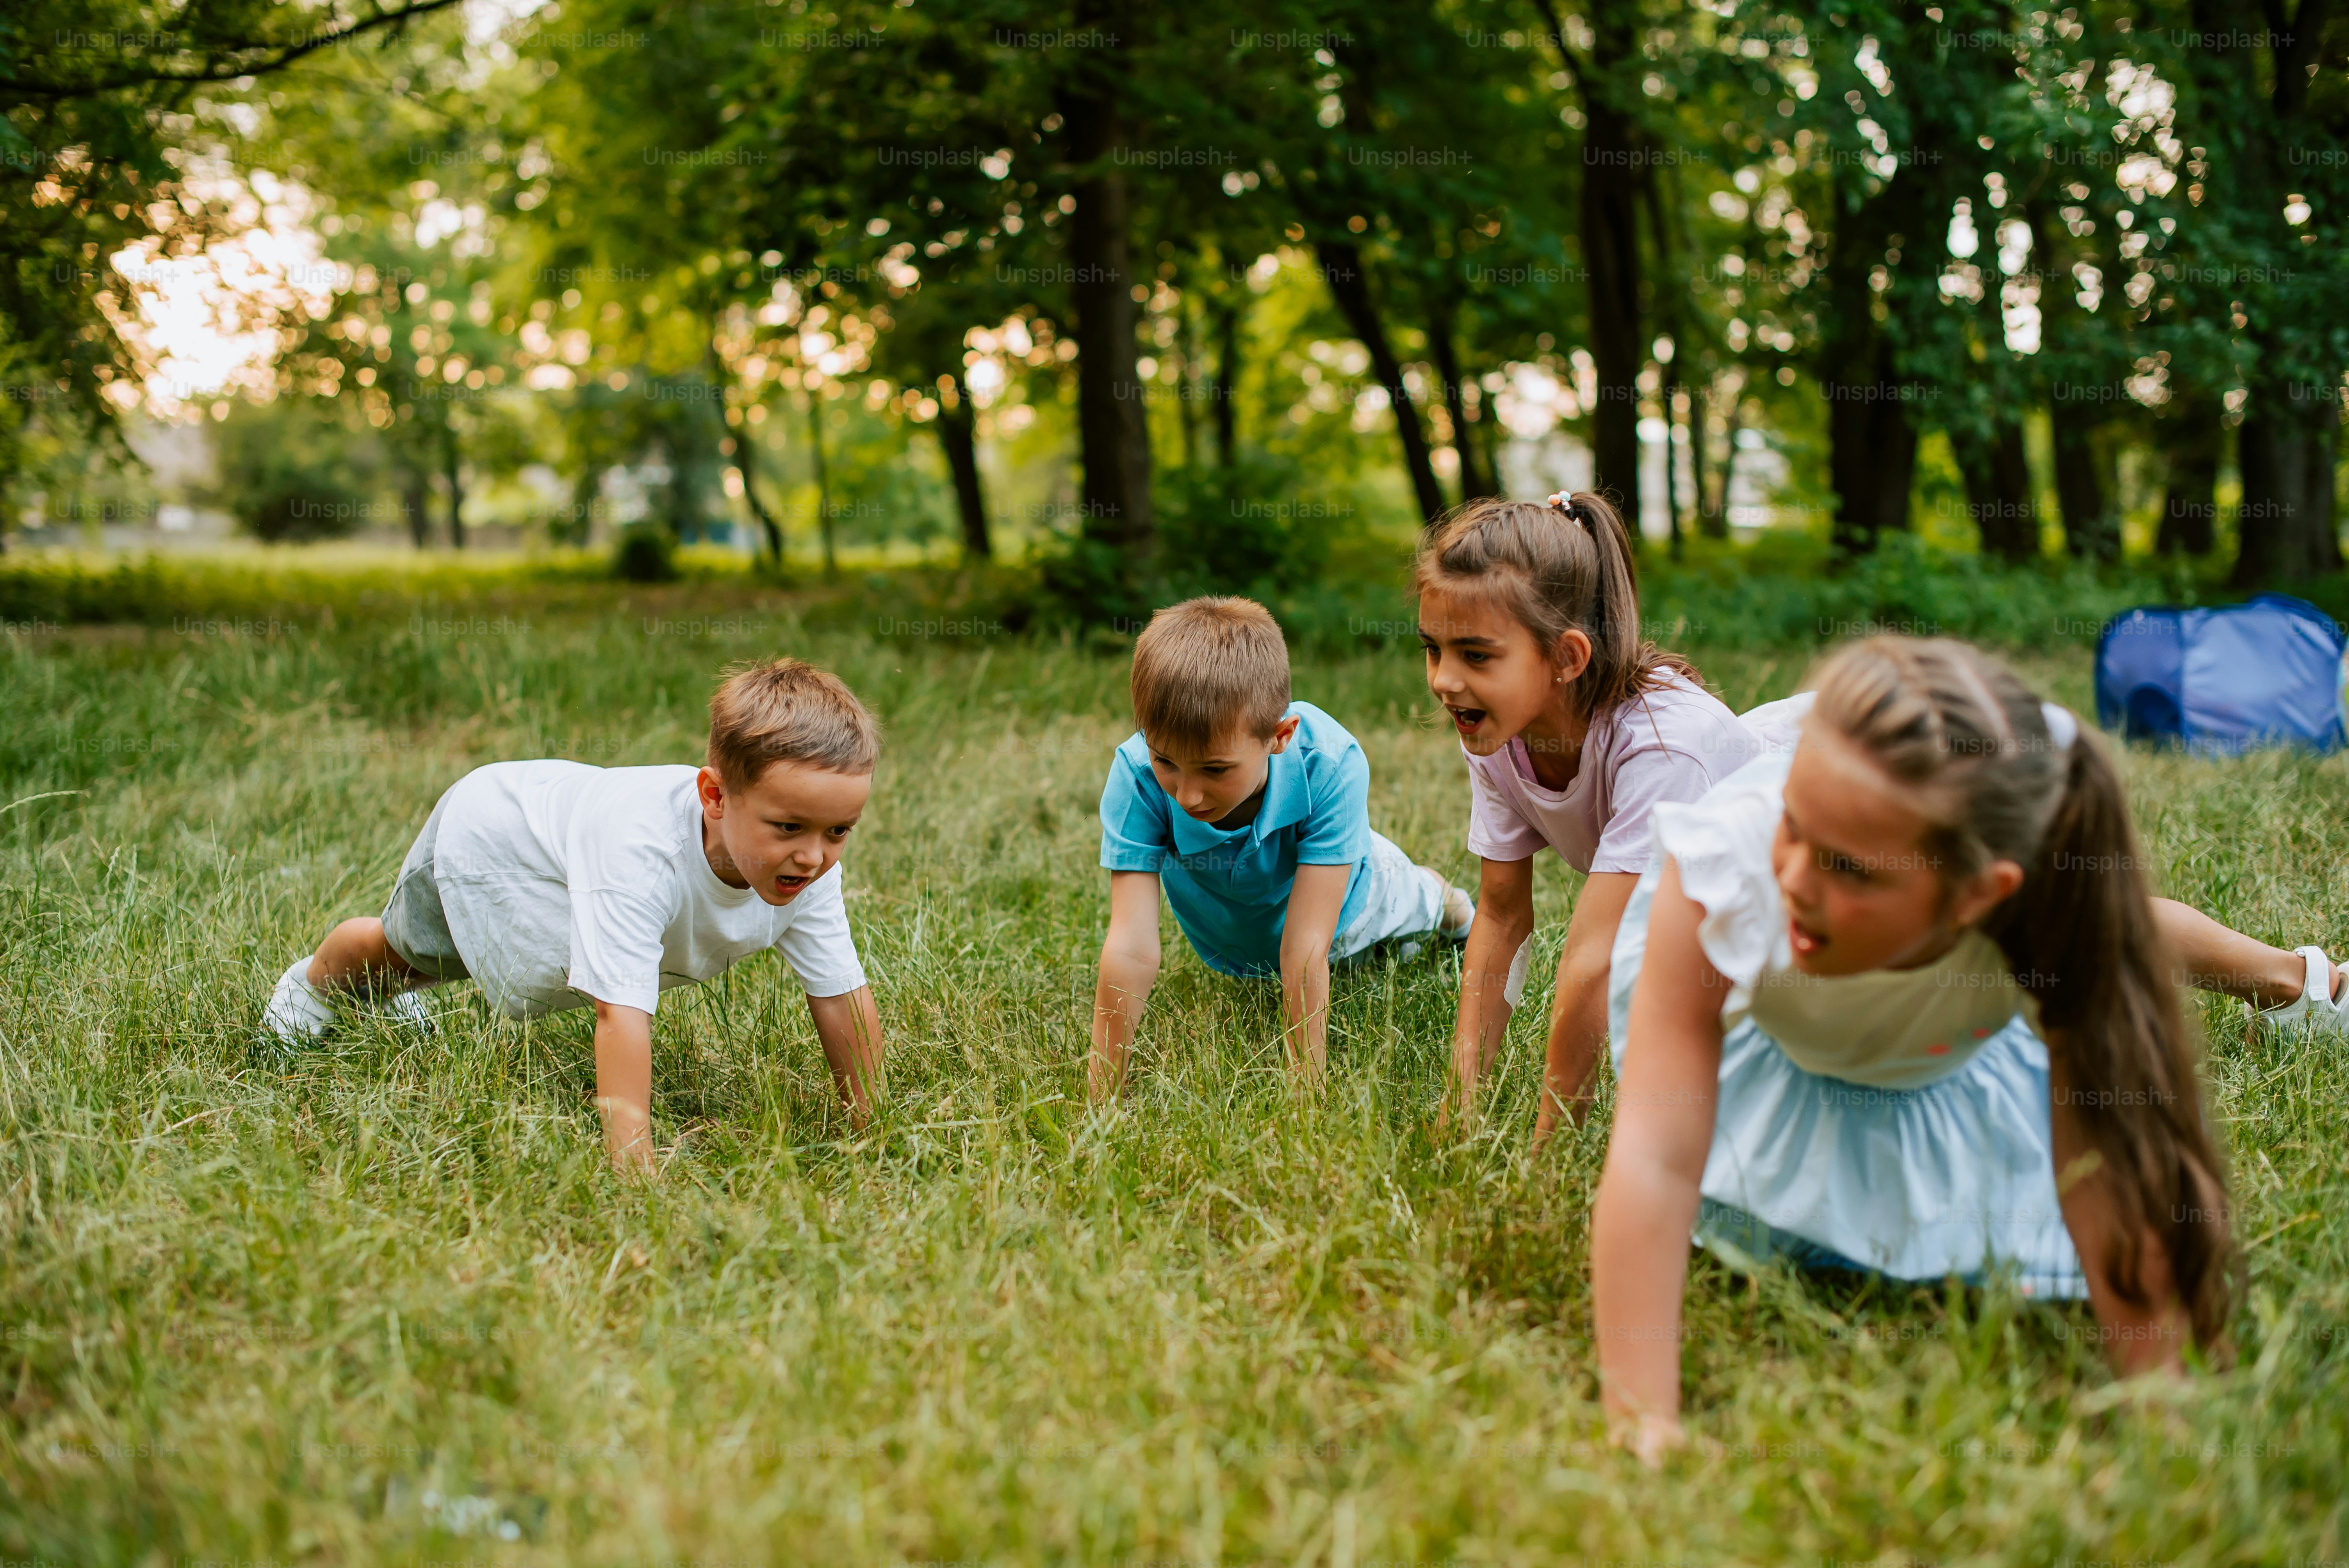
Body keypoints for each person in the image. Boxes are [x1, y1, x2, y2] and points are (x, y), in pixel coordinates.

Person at [1591, 638, 2253, 1465]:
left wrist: (2162, 1410)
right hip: (1788, 1035)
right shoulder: (1728, 871)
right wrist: (1640, 1420)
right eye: (1794, 828)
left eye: (1846, 868)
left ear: (1981, 894)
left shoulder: (2047, 897)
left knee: (2127, 933)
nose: (1795, 877)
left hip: (1950, 1032)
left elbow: (2108, 1160)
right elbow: (1655, 1154)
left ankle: (2295, 980)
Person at [260, 657, 888, 1172]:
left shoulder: (806, 867)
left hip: (568, 850)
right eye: (789, 828)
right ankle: (315, 984)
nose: (814, 856)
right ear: (715, 796)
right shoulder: (642, 853)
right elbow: (620, 1012)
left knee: (504, 967)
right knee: (408, 955)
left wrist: (869, 1130)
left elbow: (840, 993)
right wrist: (634, 1165)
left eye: (838, 831)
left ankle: (390, 995)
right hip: (492, 843)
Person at [1417, 491, 1762, 1138]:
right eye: (1432, 649)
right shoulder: (1496, 726)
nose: (1443, 680)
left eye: (1476, 654)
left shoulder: (1662, 747)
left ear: (1567, 658)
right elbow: (1501, 913)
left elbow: (1598, 957)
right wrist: (1460, 1104)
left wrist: (1550, 1148)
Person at [1090, 596, 1474, 1098]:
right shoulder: (1137, 776)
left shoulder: (1330, 764)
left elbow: (1306, 946)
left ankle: (1458, 910)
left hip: (1356, 900)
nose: (1186, 796)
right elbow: (1131, 945)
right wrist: (1101, 1096)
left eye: (1215, 769)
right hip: (1246, 930)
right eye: (1165, 761)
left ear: (1281, 736)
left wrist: (1305, 1090)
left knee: (1420, 902)